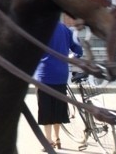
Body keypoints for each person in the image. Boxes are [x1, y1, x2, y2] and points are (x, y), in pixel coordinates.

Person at [34, 15, 84, 151]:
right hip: (61, 74)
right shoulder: (65, 29)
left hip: (44, 75)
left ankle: (48, 141)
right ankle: (57, 138)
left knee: (45, 109)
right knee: (57, 108)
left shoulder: (40, 29)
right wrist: (72, 57)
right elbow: (78, 50)